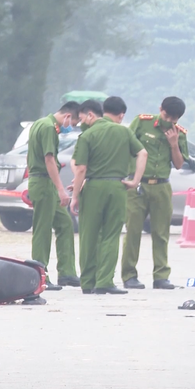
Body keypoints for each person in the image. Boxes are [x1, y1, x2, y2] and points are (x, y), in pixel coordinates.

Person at [70, 99, 148, 294]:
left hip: (94, 186)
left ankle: (87, 282)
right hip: (117, 187)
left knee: (88, 235)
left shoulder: (87, 135)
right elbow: (143, 153)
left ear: (93, 114)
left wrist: (75, 195)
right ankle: (104, 281)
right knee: (111, 235)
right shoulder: (124, 132)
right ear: (119, 114)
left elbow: (80, 169)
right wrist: (135, 181)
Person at [121, 96, 189, 290]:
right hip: (138, 185)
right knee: (133, 231)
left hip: (161, 187)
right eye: (167, 116)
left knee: (161, 233)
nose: (169, 121)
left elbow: (178, 164)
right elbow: (126, 147)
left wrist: (174, 144)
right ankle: (129, 275)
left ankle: (161, 276)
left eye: (174, 119)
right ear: (160, 109)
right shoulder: (142, 123)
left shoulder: (180, 133)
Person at [27, 101, 81, 292]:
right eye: (73, 123)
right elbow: (49, 159)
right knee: (42, 230)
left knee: (65, 223)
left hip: (43, 181)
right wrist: (60, 189)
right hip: (44, 183)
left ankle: (67, 272)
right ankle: (39, 275)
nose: (71, 127)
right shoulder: (49, 128)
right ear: (67, 116)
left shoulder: (40, 123)